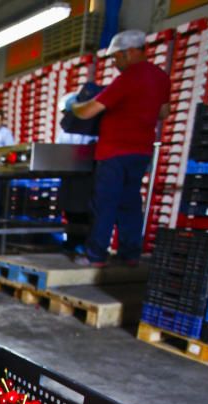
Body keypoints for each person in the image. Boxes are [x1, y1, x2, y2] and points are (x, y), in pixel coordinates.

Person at [68, 29, 170, 267]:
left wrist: (73, 106)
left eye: (117, 57)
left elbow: (90, 110)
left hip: (114, 152)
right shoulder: (161, 77)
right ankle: (130, 255)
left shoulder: (129, 77)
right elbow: (164, 113)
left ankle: (95, 256)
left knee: (105, 203)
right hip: (141, 151)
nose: (115, 63)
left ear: (132, 52)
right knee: (130, 204)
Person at [56, 92, 98, 255]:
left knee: (86, 214)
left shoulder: (92, 129)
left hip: (87, 179)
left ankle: (85, 245)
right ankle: (72, 243)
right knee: (72, 213)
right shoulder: (66, 131)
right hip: (71, 178)